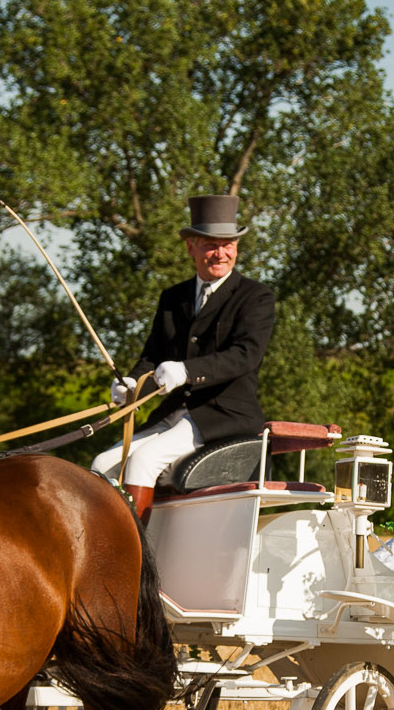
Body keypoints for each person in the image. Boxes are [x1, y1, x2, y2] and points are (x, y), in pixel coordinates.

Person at [90, 194, 275, 521]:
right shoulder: (172, 298)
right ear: (191, 247)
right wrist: (132, 385)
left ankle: (139, 562)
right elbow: (154, 356)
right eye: (210, 245)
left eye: (228, 244)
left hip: (223, 413)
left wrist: (188, 371)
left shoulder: (255, 297)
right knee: (102, 464)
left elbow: (245, 356)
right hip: (174, 411)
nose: (220, 253)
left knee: (144, 461)